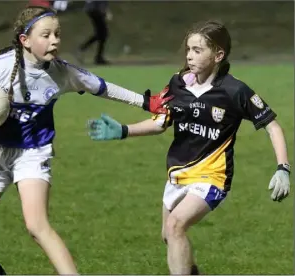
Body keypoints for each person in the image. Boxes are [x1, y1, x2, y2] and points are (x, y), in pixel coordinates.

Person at [0, 5, 173, 275]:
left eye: (57, 34)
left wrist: (147, 102)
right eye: (46, 35)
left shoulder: (62, 72)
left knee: (37, 226)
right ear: (25, 41)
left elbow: (101, 86)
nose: (54, 40)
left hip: (33, 152)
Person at [87, 20, 291, 275]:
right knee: (168, 236)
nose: (189, 56)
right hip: (178, 173)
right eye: (188, 49)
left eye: (197, 50)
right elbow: (162, 121)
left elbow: (272, 126)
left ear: (218, 55)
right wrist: (124, 130)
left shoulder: (234, 91)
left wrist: (283, 167)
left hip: (212, 177)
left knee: (175, 227)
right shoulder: (178, 83)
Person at [76, 1, 111, 65]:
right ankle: (97, 57)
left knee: (100, 34)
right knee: (103, 33)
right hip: (96, 9)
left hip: (91, 9)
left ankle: (83, 49)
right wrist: (105, 12)